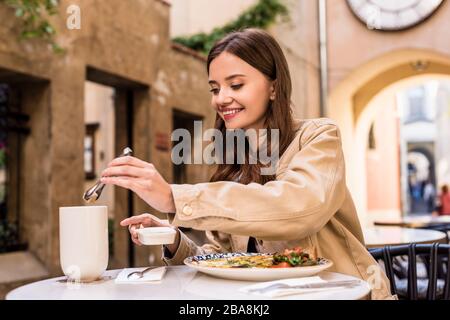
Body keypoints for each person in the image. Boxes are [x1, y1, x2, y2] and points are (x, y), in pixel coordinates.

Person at [100, 28, 394, 299]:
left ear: (274, 88)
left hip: (342, 294)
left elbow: (298, 207)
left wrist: (175, 198)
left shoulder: (318, 137)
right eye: (215, 89)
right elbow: (222, 256)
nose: (222, 98)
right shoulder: (234, 161)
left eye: (236, 85)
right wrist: (175, 240)